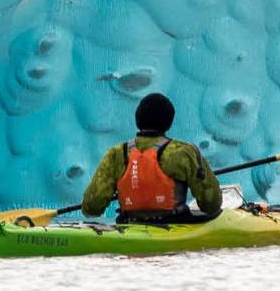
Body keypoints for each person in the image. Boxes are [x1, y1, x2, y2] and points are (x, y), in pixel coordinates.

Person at [81, 93, 222, 222]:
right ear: (169, 121)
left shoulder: (117, 153)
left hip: (130, 226)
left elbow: (91, 208)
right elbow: (211, 204)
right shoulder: (184, 152)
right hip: (175, 226)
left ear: (138, 119)